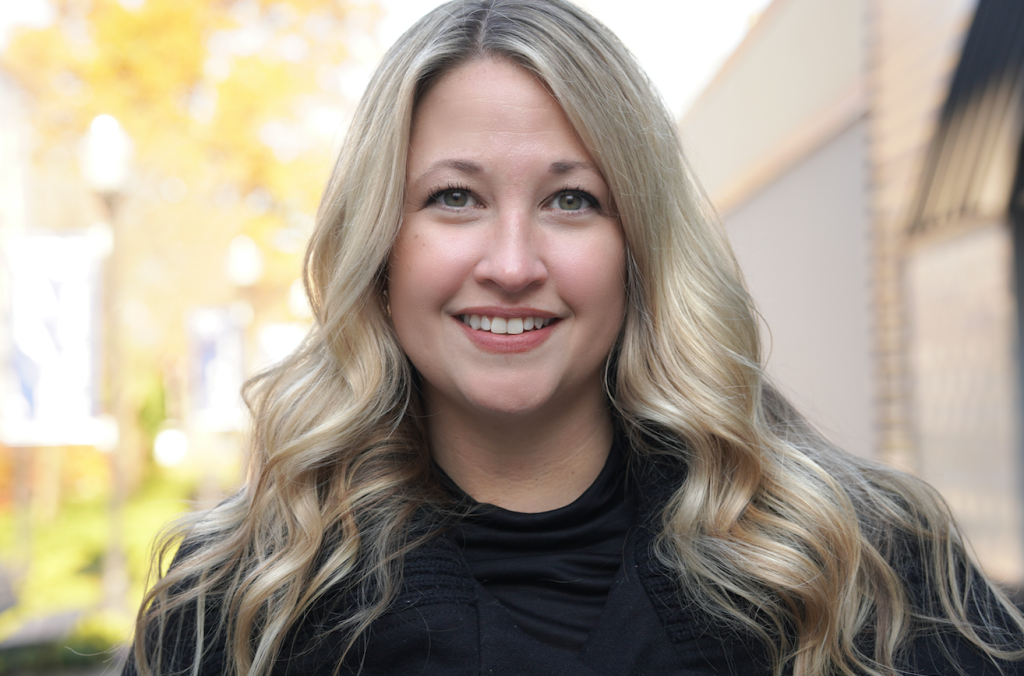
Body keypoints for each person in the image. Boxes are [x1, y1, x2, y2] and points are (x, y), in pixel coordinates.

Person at [127, 1, 1024, 675]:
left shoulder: (863, 562)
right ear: (380, 249)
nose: (513, 264)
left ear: (640, 246)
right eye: (454, 197)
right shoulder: (242, 606)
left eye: (571, 200)